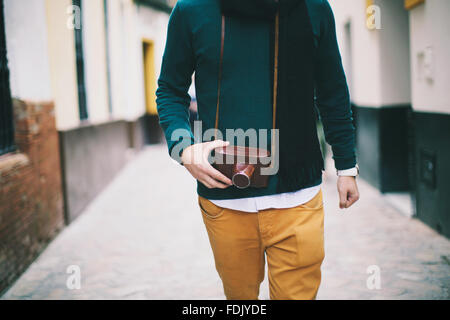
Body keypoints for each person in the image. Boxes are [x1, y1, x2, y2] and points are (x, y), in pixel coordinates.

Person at [156, 0, 359, 300]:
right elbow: (170, 90)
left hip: (298, 197)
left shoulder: (313, 7)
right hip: (225, 199)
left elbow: (332, 92)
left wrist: (346, 166)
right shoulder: (191, 10)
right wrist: (183, 149)